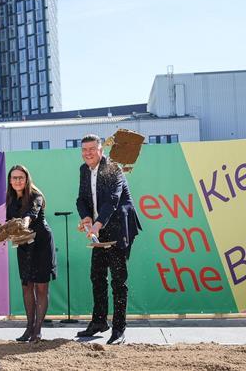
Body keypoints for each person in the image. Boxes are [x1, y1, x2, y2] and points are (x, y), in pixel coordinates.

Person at [75, 134, 142, 345]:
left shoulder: (113, 168)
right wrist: (86, 217)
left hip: (118, 226)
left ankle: (119, 329)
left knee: (118, 280)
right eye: (84, 150)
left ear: (101, 150)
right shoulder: (84, 170)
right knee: (97, 275)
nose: (87, 153)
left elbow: (113, 200)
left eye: (92, 149)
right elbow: (82, 198)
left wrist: (97, 224)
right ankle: (99, 322)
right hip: (99, 228)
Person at [6, 164, 57, 342]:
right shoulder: (10, 198)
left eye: (21, 177)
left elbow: (31, 213)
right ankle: (28, 328)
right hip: (24, 244)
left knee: (41, 287)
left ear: (27, 179)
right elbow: (9, 221)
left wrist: (24, 224)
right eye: (14, 178)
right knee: (26, 286)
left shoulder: (36, 196)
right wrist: (4, 233)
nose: (17, 181)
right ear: (10, 181)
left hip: (41, 243)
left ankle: (37, 330)